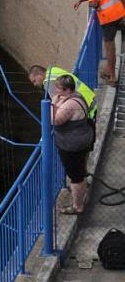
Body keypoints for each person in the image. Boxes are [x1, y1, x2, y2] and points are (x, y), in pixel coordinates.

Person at [71, 0, 125, 86]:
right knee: (110, 44)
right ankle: (108, 71)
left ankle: (111, 76)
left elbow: (94, 1)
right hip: (118, 11)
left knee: (109, 46)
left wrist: (92, 4)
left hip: (109, 17)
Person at [51, 74, 94, 214]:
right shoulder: (77, 96)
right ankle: (80, 188)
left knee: (75, 176)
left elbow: (55, 121)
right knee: (78, 172)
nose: (56, 92)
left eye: (58, 89)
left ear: (67, 90)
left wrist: (52, 104)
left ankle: (77, 207)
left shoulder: (69, 104)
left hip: (73, 145)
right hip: (83, 139)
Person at [28, 65, 97, 116]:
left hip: (87, 108)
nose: (35, 84)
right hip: (90, 97)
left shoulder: (48, 82)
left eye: (34, 81)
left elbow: (57, 105)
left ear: (39, 75)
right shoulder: (53, 70)